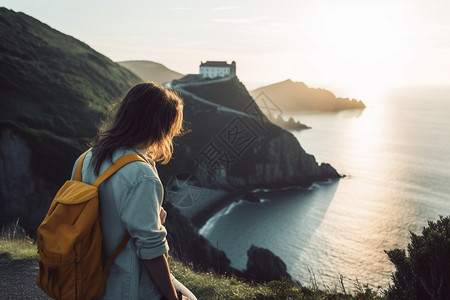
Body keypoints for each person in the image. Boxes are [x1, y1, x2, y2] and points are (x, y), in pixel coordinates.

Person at [71, 82, 196, 300]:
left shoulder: (86, 158)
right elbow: (152, 253)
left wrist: (151, 212)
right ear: (159, 126)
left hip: (84, 274)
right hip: (125, 285)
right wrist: (172, 298)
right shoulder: (141, 175)